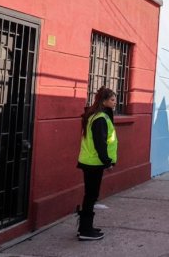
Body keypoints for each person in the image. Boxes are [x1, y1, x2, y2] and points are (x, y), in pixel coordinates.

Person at [76, 87, 118, 241]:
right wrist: (107, 162)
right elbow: (100, 143)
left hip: (89, 161)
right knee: (91, 196)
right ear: (104, 101)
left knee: (90, 195)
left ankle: (84, 227)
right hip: (95, 162)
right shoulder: (100, 118)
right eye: (112, 100)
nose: (115, 103)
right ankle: (86, 231)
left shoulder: (95, 115)